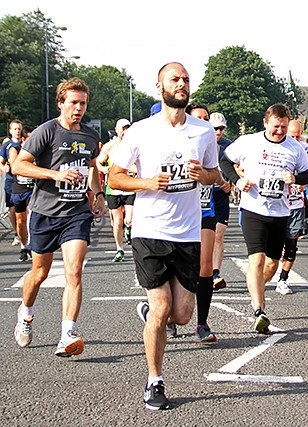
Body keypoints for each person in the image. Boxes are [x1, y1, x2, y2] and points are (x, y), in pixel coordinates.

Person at [108, 62, 221, 410]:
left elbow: (215, 175)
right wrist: (145, 182)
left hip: (187, 232)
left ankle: (151, 313)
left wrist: (203, 173)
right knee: (161, 308)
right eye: (175, 79)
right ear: (160, 86)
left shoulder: (202, 132)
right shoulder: (140, 132)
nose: (182, 84)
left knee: (183, 315)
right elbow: (115, 177)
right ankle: (154, 381)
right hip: (150, 231)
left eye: (186, 79)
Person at [11, 77, 106, 357]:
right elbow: (19, 165)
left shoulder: (90, 136)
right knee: (39, 273)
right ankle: (26, 312)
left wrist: (96, 195)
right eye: (74, 102)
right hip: (45, 211)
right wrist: (55, 174)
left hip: (76, 213)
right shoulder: (46, 132)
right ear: (61, 103)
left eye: (83, 103)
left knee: (74, 271)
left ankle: (67, 334)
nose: (79, 108)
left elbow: (91, 168)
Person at [219, 104, 308, 333]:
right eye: (275, 127)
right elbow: (225, 161)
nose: (279, 131)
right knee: (257, 259)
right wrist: (237, 181)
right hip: (253, 210)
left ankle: (255, 284)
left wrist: (295, 177)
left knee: (271, 264)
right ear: (265, 123)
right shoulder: (249, 141)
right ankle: (259, 310)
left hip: (280, 212)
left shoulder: (295, 148)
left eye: (283, 127)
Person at [184, 102, 221, 343]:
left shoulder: (209, 141)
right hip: (182, 214)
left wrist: (211, 177)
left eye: (206, 118)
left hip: (206, 210)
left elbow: (216, 173)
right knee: (180, 268)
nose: (204, 122)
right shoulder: (180, 140)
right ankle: (160, 313)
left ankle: (202, 323)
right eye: (199, 117)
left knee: (205, 266)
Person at [273, 119, 308, 295]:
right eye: (292, 135)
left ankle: (283, 279)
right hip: (275, 205)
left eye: (298, 135)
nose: (295, 138)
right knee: (272, 250)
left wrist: (302, 182)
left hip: (295, 205)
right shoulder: (277, 147)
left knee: (291, 246)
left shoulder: (304, 150)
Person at [96, 118, 134, 262]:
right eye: (122, 129)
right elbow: (98, 162)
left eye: (127, 128)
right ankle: (120, 249)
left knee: (129, 219)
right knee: (117, 221)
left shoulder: (134, 145)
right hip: (113, 188)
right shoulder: (109, 146)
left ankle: (129, 228)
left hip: (130, 187)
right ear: (116, 130)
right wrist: (104, 169)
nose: (125, 131)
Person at [209, 112, 233, 290]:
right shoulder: (199, 141)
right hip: (203, 193)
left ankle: (215, 273)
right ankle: (202, 271)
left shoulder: (228, 146)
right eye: (215, 128)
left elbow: (236, 166)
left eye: (221, 128)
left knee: (218, 234)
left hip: (221, 193)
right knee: (204, 235)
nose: (219, 131)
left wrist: (232, 183)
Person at [8, 125, 35, 261]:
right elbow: (14, 167)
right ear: (23, 140)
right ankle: (24, 246)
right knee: (20, 220)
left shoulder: (38, 150)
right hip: (19, 189)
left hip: (33, 189)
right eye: (29, 139)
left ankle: (31, 245)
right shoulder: (15, 150)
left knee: (31, 217)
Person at [1, 119, 23, 246]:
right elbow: (1, 161)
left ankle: (26, 233)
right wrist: (4, 168)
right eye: (15, 129)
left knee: (26, 210)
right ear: (10, 131)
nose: (17, 132)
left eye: (19, 129)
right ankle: (16, 232)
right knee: (13, 209)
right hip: (11, 181)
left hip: (25, 182)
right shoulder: (7, 145)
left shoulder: (26, 143)